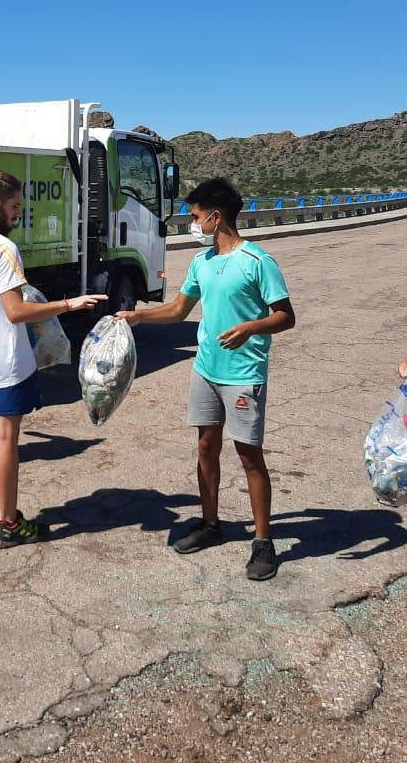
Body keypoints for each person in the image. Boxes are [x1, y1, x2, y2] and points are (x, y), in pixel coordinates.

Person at [116, 178, 295, 581]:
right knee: (205, 447)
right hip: (206, 370)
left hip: (243, 373)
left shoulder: (257, 261)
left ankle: (263, 542)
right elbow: (179, 309)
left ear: (217, 216)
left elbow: (286, 315)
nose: (192, 223)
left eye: (196, 217)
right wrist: (138, 316)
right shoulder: (203, 261)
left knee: (250, 456)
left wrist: (252, 327)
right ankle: (211, 524)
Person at [0, 168, 107, 548]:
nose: (17, 214)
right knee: (6, 438)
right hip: (5, 361)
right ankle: (8, 522)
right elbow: (15, 312)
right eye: (14, 207)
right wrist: (68, 304)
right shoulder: (2, 248)